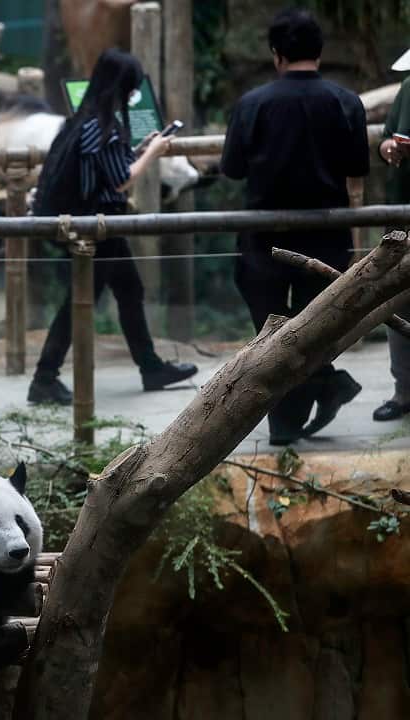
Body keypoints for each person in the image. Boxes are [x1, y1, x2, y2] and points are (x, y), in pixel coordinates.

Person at [221, 8, 369, 445]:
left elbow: (232, 169)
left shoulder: (253, 104)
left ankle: (291, 422)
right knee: (313, 326)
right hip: (327, 234)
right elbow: (357, 165)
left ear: (275, 55)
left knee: (271, 332)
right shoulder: (347, 102)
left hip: (263, 235)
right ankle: (320, 389)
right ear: (320, 53)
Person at [26, 48, 198, 407]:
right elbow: (120, 180)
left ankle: (150, 367)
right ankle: (44, 377)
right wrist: (154, 153)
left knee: (129, 290)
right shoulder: (101, 126)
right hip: (96, 227)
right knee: (78, 302)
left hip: (99, 224)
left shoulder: (84, 120)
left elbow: (106, 168)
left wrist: (140, 149)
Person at [373, 50, 410, 423]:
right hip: (402, 214)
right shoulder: (407, 88)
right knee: (398, 302)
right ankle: (404, 391)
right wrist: (389, 148)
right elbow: (386, 138)